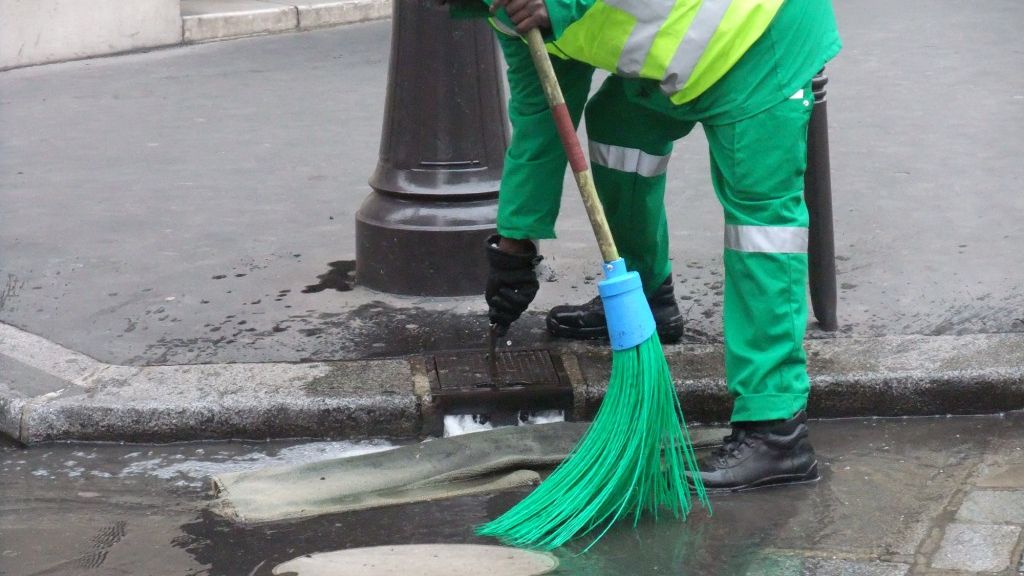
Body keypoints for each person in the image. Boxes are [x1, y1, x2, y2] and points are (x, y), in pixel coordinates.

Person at [478, 0, 841, 491]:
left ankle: (776, 430)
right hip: (686, 49)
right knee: (621, 130)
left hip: (760, 31)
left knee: (761, 232)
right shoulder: (505, 9)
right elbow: (542, 108)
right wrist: (515, 242)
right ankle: (647, 297)